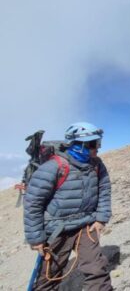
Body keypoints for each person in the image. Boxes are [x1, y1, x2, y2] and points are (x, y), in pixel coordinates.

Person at [23, 122, 113, 290]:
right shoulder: (53, 167)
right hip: (57, 229)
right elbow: (32, 203)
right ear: (78, 145)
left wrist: (101, 218)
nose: (97, 148)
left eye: (98, 143)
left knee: (97, 270)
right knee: (49, 278)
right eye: (93, 144)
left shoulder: (97, 165)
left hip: (86, 225)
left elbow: (104, 190)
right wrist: (36, 238)